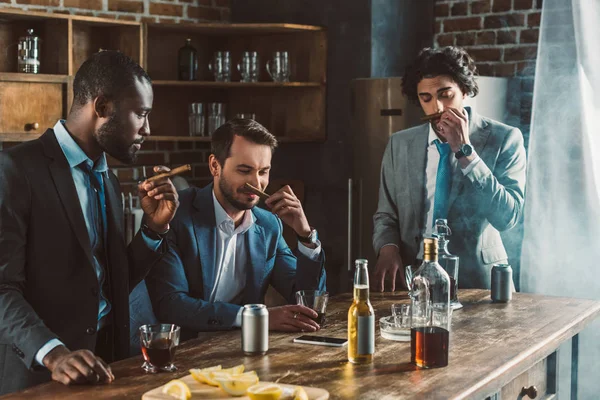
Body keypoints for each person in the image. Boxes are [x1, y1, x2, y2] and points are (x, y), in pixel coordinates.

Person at [0, 51, 179, 394]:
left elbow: (107, 283)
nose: (147, 129)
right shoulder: (16, 170)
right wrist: (54, 355)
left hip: (107, 369)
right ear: (102, 108)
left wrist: (154, 230)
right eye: (140, 114)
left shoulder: (107, 179)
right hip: (39, 379)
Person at [144, 118, 326, 341]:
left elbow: (308, 300)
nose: (256, 183)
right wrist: (255, 317)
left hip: (240, 351)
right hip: (179, 352)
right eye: (244, 170)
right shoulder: (176, 215)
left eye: (263, 172)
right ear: (215, 166)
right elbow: (171, 305)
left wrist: (305, 234)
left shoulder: (269, 225)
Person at [372, 46, 526, 291]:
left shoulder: (505, 138)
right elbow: (386, 215)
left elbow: (508, 217)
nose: (438, 108)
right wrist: (388, 248)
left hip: (479, 284)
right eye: (426, 99)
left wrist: (465, 151)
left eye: (446, 94)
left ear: (464, 90)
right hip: (414, 280)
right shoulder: (399, 144)